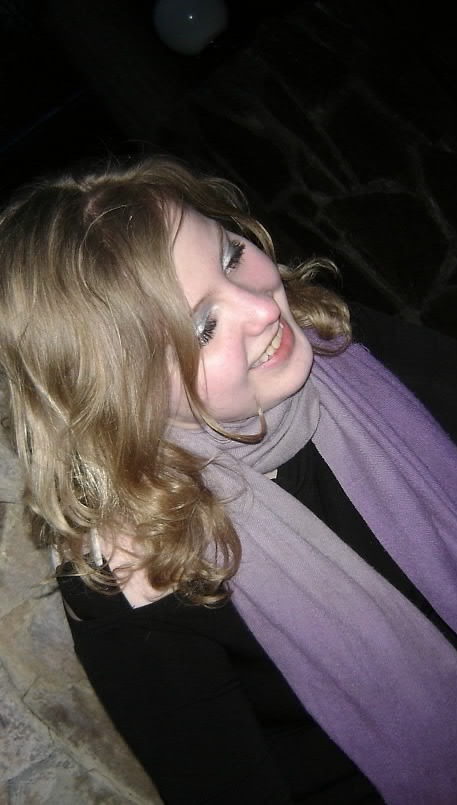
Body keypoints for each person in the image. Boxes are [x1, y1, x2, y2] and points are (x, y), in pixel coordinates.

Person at [0, 156, 456, 805]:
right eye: (203, 325)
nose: (264, 306)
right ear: (118, 394)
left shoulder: (337, 342)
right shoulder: (133, 572)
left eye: (232, 256)